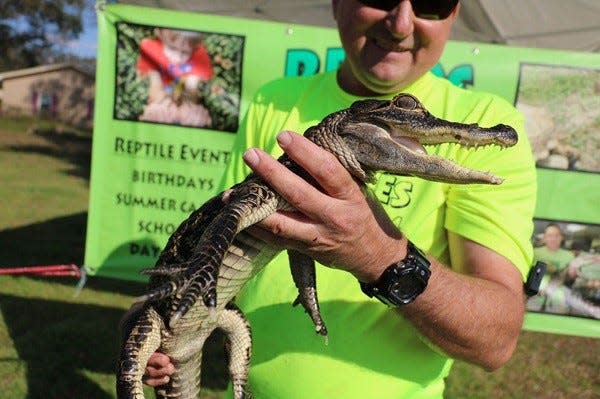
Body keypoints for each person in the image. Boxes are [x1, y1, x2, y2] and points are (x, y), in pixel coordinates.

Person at [144, 0, 537, 397]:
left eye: (431, 3)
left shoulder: (487, 119)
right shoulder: (272, 100)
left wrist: (378, 254)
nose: (401, 23)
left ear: (453, 14)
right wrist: (174, 328)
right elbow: (229, 237)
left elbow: (495, 341)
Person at [137, 28, 213, 127]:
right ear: (159, 33)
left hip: (185, 101)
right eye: (172, 48)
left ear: (195, 48)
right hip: (161, 100)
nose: (178, 57)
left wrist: (184, 107)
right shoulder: (150, 48)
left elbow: (191, 90)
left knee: (196, 115)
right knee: (155, 112)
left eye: (185, 52)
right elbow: (155, 87)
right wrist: (167, 104)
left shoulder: (199, 55)